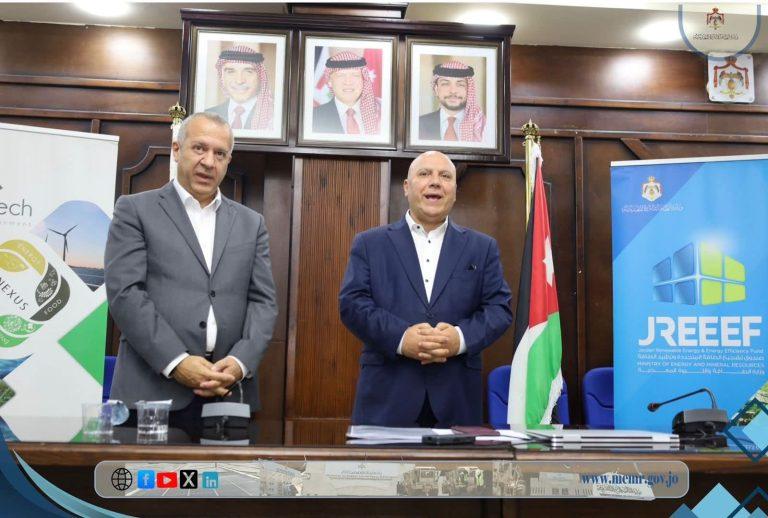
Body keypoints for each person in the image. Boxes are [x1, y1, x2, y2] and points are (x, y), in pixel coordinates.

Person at [105, 111, 278, 428]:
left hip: (228, 392)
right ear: (177, 149)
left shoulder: (251, 223)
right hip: (152, 394)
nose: (209, 162)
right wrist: (177, 361)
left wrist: (240, 362)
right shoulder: (135, 210)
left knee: (231, 467)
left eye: (220, 154)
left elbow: (263, 302)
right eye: (199, 148)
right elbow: (125, 294)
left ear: (228, 161)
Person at [338, 151, 513, 427]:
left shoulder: (482, 247)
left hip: (457, 400)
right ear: (406, 187)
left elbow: (499, 309)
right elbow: (352, 304)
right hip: (386, 400)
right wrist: (401, 338)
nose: (435, 182)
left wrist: (459, 338)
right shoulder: (370, 244)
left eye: (445, 176)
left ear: (454, 191)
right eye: (424, 174)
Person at [205, 45, 274, 131]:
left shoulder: (274, 117)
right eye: (231, 72)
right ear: (222, 77)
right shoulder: (207, 116)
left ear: (260, 77)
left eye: (249, 72)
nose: (239, 81)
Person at [313, 51, 380, 135]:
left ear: (363, 80)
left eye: (355, 75)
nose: (348, 82)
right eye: (341, 75)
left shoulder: (380, 114)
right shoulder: (314, 117)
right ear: (330, 81)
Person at [419, 61, 486, 142]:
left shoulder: (481, 126)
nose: (453, 91)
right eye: (445, 84)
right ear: (436, 90)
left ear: (469, 90)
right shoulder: (418, 124)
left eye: (460, 85)